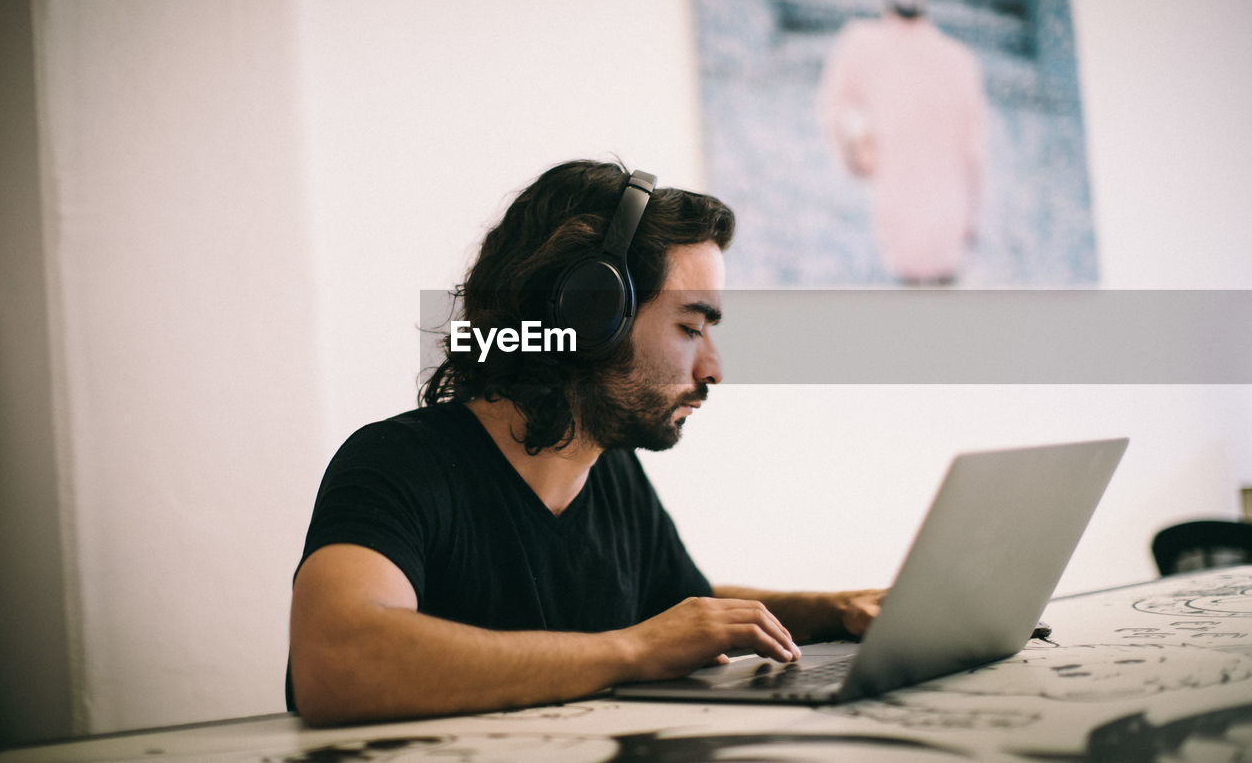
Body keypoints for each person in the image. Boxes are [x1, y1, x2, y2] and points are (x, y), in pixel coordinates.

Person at [287, 160, 884, 726]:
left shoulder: (612, 471)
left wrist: (836, 611)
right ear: (589, 318)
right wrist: (630, 651)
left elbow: (689, 615)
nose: (713, 369)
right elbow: (338, 660)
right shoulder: (397, 464)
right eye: (689, 327)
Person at [819, 0, 987, 284]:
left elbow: (972, 153)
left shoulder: (955, 60)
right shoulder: (863, 45)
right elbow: (840, 108)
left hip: (939, 219)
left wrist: (970, 219)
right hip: (912, 215)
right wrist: (858, 137)